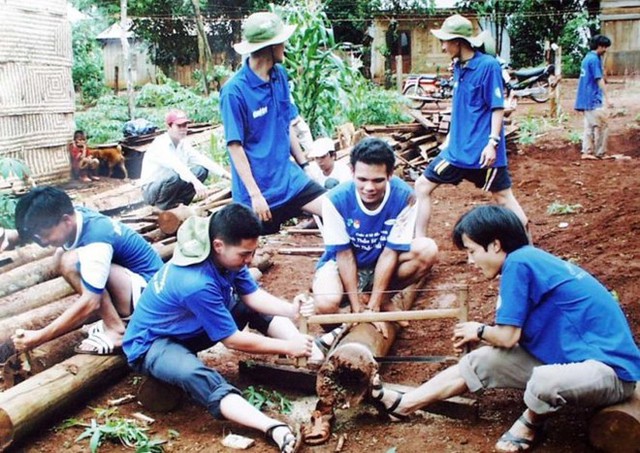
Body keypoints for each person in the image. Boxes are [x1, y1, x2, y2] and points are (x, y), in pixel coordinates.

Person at [371, 205, 640, 452]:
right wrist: (484, 334)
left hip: (612, 373)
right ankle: (405, 404)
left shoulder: (519, 264)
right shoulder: (527, 259)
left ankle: (531, 423)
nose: (470, 261)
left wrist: (478, 331)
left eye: (471, 251)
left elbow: (508, 336)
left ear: (496, 245)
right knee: (483, 360)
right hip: (575, 360)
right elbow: (509, 336)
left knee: (545, 379)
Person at [122, 204, 329, 452]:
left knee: (246, 307)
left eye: (253, 252)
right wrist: (287, 347)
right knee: (195, 375)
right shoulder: (196, 282)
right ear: (219, 245)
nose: (250, 260)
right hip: (152, 344)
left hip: (186, 329)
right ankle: (272, 427)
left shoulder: (225, 258)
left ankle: (312, 355)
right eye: (244, 254)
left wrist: (290, 310)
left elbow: (253, 298)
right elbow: (233, 340)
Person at [4, 186, 163, 355]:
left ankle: (116, 330)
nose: (43, 242)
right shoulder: (74, 216)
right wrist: (12, 236)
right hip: (136, 289)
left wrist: (39, 336)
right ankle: (116, 320)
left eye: (46, 235)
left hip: (152, 299)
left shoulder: (96, 241)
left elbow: (91, 301)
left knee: (70, 261)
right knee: (61, 257)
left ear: (66, 221)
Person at [414, 14, 528, 237]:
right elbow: (463, 107)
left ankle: (528, 250)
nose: (443, 46)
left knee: (503, 198)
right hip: (457, 153)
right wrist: (449, 139)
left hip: (482, 153)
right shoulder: (459, 66)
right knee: (421, 186)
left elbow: (497, 107)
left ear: (458, 41)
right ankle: (420, 242)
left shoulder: (488, 66)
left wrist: (492, 144)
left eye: (445, 41)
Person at [312, 137, 438, 325]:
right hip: (342, 262)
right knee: (325, 304)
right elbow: (344, 254)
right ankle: (353, 305)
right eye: (362, 179)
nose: (369, 188)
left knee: (427, 249)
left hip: (381, 259)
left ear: (390, 174)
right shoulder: (334, 200)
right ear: (352, 171)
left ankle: (380, 298)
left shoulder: (406, 197)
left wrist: (374, 306)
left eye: (378, 180)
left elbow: (390, 252)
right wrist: (357, 309)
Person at [220, 11, 325, 234]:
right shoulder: (234, 92)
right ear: (270, 46)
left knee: (335, 211)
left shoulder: (280, 76)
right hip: (258, 193)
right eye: (282, 41)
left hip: (289, 181)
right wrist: (255, 195)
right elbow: (235, 147)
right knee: (246, 257)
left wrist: (306, 165)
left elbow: (285, 124)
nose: (285, 45)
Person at [140, 109, 230, 210]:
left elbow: (202, 160)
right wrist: (196, 183)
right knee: (173, 176)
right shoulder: (161, 144)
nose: (183, 129)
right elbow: (177, 166)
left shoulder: (183, 144)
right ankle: (162, 208)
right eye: (179, 126)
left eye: (185, 125)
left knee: (201, 170)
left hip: (170, 183)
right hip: (151, 190)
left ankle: (180, 204)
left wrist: (228, 176)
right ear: (169, 127)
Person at [575, 34, 612, 160]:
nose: (605, 50)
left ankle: (587, 151)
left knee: (589, 126)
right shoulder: (595, 59)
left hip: (585, 97)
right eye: (604, 47)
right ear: (600, 46)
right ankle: (600, 152)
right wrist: (607, 97)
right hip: (593, 98)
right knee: (603, 125)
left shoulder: (587, 58)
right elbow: (599, 79)